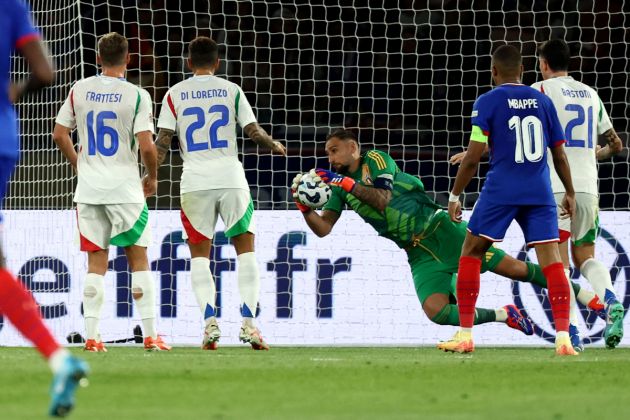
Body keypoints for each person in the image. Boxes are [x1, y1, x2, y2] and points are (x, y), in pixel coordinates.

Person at [291, 129, 601, 337]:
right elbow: (324, 229)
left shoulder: (375, 160)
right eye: (327, 153)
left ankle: (590, 297)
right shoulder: (339, 188)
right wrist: (304, 208)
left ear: (352, 148)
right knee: (436, 311)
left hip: (441, 229)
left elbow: (382, 200)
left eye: (334, 151)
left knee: (516, 269)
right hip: (417, 252)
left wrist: (343, 183)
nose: (330, 158)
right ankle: (504, 314)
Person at [442, 45, 577, 355]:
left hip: (502, 189)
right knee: (553, 263)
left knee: (471, 252)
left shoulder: (487, 102)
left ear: (493, 71)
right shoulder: (543, 101)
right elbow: (558, 153)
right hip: (539, 191)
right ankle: (563, 338)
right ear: (523, 71)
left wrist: (454, 195)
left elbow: (474, 157)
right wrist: (568, 192)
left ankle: (465, 335)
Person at [154, 36, 286, 350]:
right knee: (246, 251)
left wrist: (148, 174)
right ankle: (250, 325)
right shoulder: (231, 89)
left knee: (200, 256)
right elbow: (253, 131)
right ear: (217, 63)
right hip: (230, 177)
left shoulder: (174, 94)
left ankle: (209, 323)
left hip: (194, 181)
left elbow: (162, 142)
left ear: (188, 63)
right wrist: (273, 144)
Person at [52, 32, 171, 352]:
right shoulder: (137, 95)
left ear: (98, 58)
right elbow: (147, 146)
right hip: (125, 189)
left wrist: (79, 165)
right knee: (139, 259)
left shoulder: (79, 89)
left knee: (96, 263)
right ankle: (149, 335)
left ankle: (92, 338)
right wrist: (152, 176)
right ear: (129, 58)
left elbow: (60, 133)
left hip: (89, 191)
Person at [1, 0, 88, 416]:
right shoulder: (12, 6)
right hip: (5, 138)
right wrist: (13, 92)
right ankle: (58, 358)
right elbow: (45, 72)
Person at [532, 39, 625, 349]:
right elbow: (616, 144)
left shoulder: (539, 91)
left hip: (557, 189)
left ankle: (571, 332)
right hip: (588, 188)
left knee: (557, 266)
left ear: (544, 64)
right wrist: (589, 155)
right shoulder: (591, 94)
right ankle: (610, 298)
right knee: (585, 256)